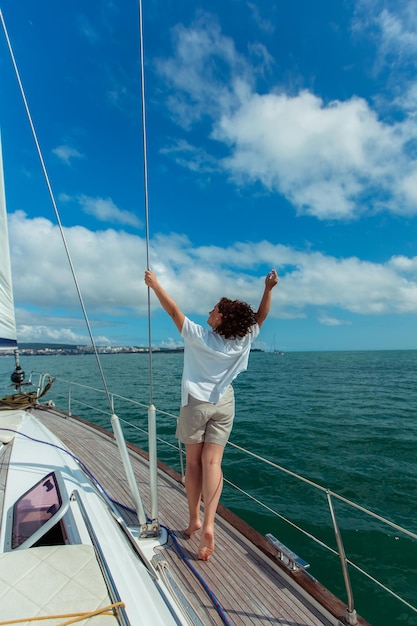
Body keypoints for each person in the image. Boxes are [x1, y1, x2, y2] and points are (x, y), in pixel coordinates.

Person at [144, 268, 279, 561]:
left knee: (193, 464)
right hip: (225, 403)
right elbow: (261, 318)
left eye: (214, 309)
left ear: (221, 318)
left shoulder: (199, 336)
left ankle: (193, 518)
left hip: (196, 404)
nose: (209, 311)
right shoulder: (242, 340)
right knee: (213, 462)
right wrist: (268, 289)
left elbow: (173, 310)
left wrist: (155, 285)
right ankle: (208, 524)